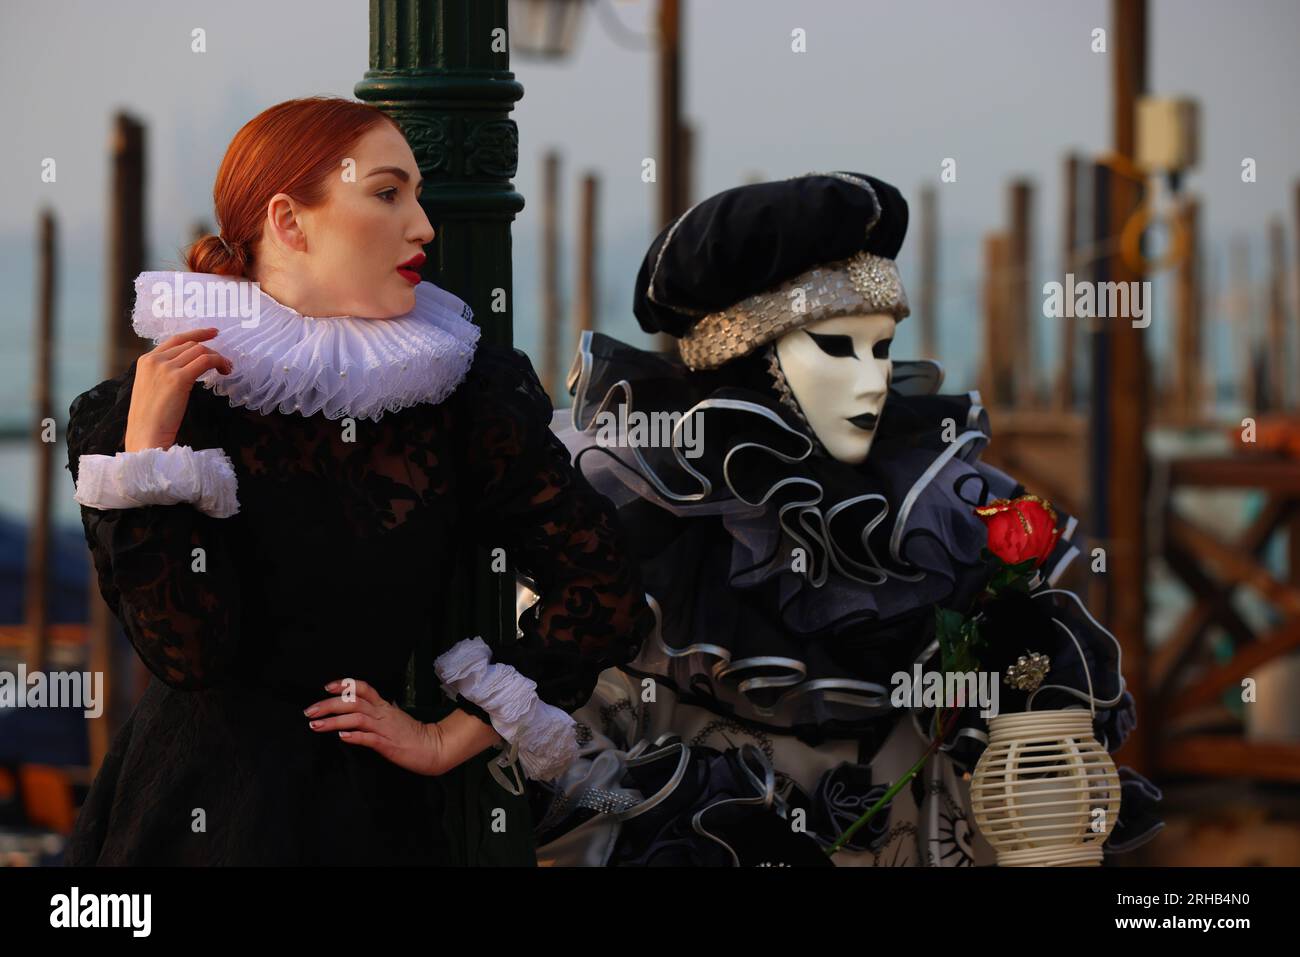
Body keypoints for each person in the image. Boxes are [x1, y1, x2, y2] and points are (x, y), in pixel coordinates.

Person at [65, 96, 654, 865]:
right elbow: (189, 657)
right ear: (288, 221)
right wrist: (148, 450)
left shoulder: (458, 395)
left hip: (368, 819)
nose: (424, 227)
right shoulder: (157, 405)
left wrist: (451, 735)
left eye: (417, 194)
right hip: (183, 815)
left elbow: (603, 589)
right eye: (387, 193)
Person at [526, 172, 1164, 866]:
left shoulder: (933, 526)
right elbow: (550, 774)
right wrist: (682, 820)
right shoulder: (623, 527)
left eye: (883, 346)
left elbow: (1012, 817)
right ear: (752, 357)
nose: (874, 379)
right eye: (838, 347)